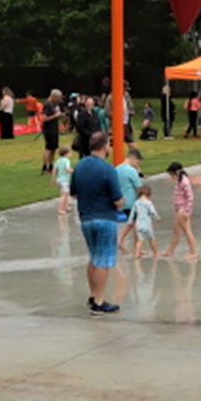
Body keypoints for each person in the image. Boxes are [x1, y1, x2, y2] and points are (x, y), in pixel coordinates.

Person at [69, 131, 124, 316]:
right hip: (105, 218)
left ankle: (93, 295)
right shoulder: (107, 169)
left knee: (93, 258)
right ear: (105, 146)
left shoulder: (80, 166)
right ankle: (99, 303)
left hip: (86, 218)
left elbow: (74, 193)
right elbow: (118, 200)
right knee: (103, 261)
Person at [162, 162, 198, 259]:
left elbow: (190, 197)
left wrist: (187, 211)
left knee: (187, 230)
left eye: (171, 175)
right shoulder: (179, 180)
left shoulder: (184, 181)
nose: (171, 177)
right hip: (179, 209)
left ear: (175, 173)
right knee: (176, 230)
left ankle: (193, 252)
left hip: (183, 209)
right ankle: (170, 250)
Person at [115, 147, 145, 254]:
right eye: (137, 161)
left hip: (121, 201)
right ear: (133, 158)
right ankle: (137, 248)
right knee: (136, 224)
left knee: (132, 223)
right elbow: (138, 187)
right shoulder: (131, 171)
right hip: (132, 201)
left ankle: (122, 241)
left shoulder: (116, 169)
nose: (137, 164)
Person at [129, 185, 161, 259]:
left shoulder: (136, 203)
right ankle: (155, 252)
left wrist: (130, 221)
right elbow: (153, 212)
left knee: (139, 240)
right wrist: (157, 218)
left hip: (138, 224)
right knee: (152, 238)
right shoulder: (148, 203)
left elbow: (132, 213)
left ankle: (137, 254)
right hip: (147, 223)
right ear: (149, 194)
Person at [41, 89, 65, 174]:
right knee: (48, 148)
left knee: (54, 148)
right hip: (49, 130)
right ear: (54, 96)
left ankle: (51, 166)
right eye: (58, 98)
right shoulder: (47, 104)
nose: (59, 100)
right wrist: (55, 115)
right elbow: (44, 118)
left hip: (54, 129)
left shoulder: (53, 105)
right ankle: (44, 167)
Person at [73, 96, 102, 160]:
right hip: (85, 140)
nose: (90, 104)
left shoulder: (95, 113)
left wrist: (99, 134)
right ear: (85, 103)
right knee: (86, 156)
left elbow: (98, 124)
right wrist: (91, 134)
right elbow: (80, 128)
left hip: (95, 139)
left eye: (91, 102)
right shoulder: (82, 114)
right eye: (88, 102)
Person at [53, 146, 74, 215]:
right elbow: (67, 169)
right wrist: (73, 171)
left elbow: (54, 170)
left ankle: (65, 207)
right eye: (70, 153)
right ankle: (60, 209)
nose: (71, 154)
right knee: (64, 195)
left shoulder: (58, 160)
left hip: (59, 179)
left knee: (67, 193)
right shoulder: (66, 160)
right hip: (65, 180)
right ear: (66, 154)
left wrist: (53, 179)